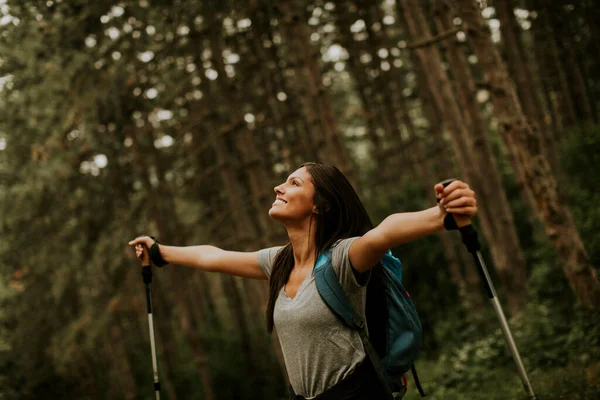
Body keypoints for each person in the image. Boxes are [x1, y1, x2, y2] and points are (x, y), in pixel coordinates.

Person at [128, 162, 477, 400]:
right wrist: (160, 252)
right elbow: (213, 256)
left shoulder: (342, 259)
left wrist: (440, 215)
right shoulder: (279, 263)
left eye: (294, 183)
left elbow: (382, 234)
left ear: (319, 205)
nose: (279, 187)